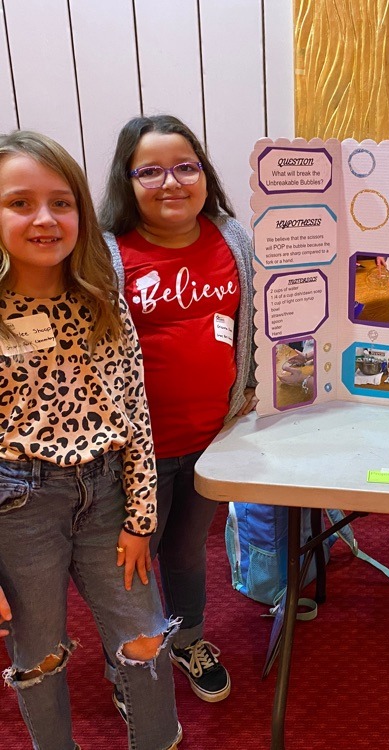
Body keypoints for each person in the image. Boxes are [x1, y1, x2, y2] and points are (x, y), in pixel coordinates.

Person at [0, 130, 180, 749]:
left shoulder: (103, 295)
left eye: (62, 201)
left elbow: (135, 411)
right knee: (40, 650)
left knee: (145, 636)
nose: (45, 218)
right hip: (19, 504)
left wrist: (140, 516)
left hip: (107, 493)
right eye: (20, 203)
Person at [99, 114, 256, 711]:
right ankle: (131, 665)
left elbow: (250, 328)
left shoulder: (231, 237)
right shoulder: (109, 252)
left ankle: (189, 639)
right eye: (152, 170)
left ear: (204, 174)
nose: (172, 182)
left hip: (213, 437)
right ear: (128, 179)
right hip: (136, 452)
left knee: (188, 550)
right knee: (132, 562)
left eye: (185, 166)